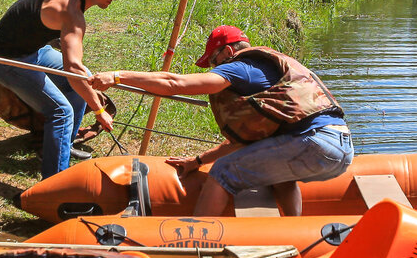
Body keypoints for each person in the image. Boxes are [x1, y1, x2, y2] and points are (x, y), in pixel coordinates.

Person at [90, 25, 353, 216]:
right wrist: (198, 161)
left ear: (227, 51)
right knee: (281, 178)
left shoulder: (240, 67)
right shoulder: (273, 73)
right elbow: (249, 143)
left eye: (214, 61)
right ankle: (293, 232)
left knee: (222, 172)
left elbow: (174, 82)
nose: (214, 68)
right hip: (339, 146)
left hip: (311, 143)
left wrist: (117, 76)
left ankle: (198, 242)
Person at [0, 0, 120, 178]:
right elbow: (72, 69)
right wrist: (99, 110)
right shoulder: (72, 14)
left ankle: (58, 148)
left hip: (35, 50)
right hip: (5, 60)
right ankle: (56, 184)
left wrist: (36, 20)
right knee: (61, 111)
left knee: (84, 81)